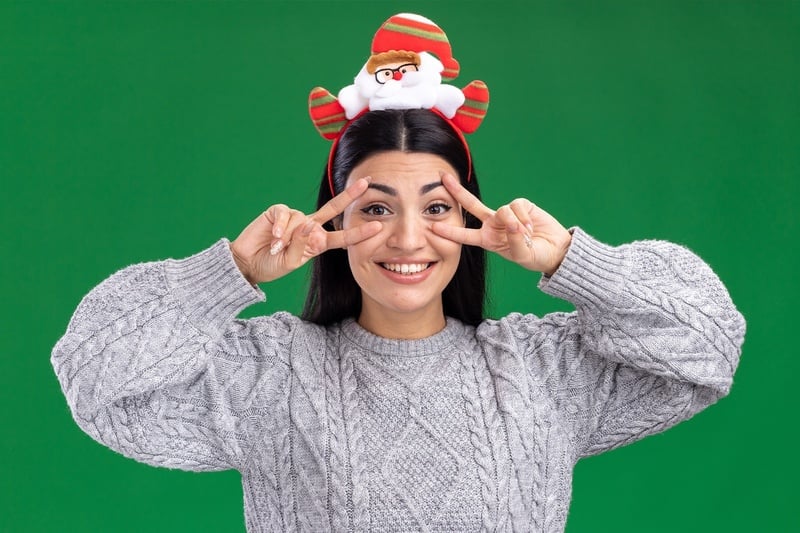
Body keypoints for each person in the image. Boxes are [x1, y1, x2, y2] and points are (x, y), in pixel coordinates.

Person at [52, 13, 745, 533]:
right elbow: (95, 380)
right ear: (334, 218)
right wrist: (227, 272)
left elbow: (710, 348)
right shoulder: (272, 374)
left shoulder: (543, 372)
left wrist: (571, 258)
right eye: (376, 206)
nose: (409, 237)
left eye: (437, 206)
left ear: (473, 218)